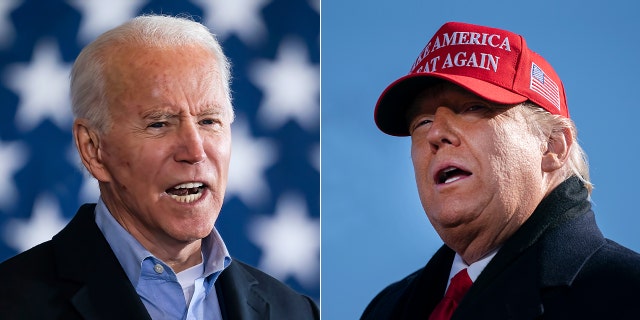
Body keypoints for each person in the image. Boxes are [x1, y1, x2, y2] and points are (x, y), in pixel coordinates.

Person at [0, 15, 318, 319]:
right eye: (159, 124)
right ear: (93, 150)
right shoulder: (11, 303)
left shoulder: (296, 311)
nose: (195, 151)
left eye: (209, 120)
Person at [361, 21, 640, 319]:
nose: (436, 134)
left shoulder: (626, 294)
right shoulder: (386, 309)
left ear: (553, 147)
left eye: (472, 108)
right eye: (422, 122)